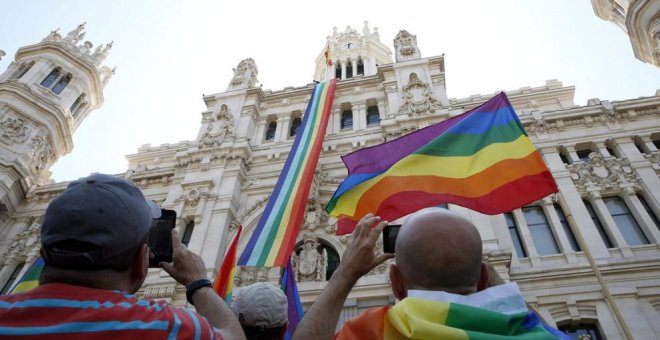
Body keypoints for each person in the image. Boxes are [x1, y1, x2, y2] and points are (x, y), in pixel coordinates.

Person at [0, 174, 245, 339]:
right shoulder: (161, 326)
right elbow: (232, 335)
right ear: (142, 261)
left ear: (43, 252)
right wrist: (198, 283)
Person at [293, 208, 569, 339]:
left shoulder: (379, 330)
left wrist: (345, 273)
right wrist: (479, 266)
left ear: (396, 283)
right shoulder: (529, 334)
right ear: (484, 277)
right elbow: (539, 326)